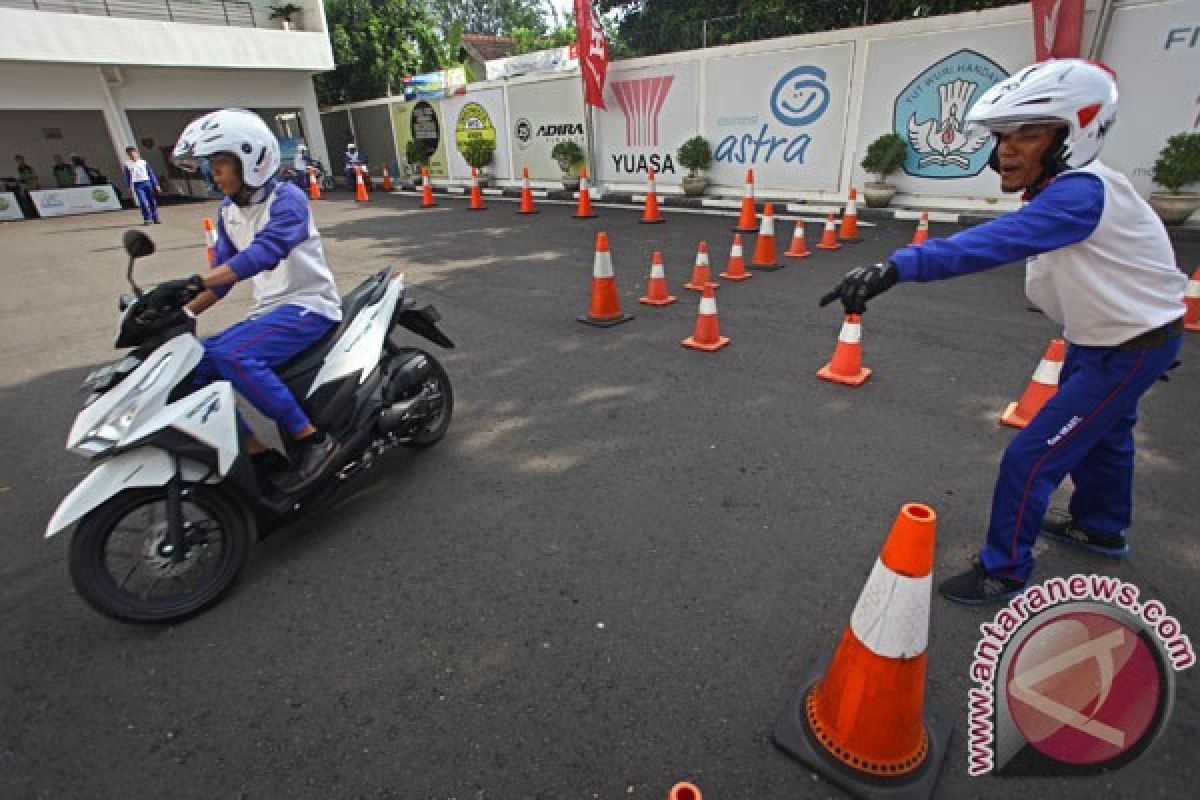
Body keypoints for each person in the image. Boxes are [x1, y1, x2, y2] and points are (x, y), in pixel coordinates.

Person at [819, 59, 1186, 605]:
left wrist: (895, 267)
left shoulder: (1079, 195)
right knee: (1106, 438)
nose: (1007, 150)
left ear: (1075, 133)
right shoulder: (1079, 185)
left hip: (1128, 346)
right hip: (1114, 337)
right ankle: (1102, 526)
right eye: (1003, 136)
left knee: (1031, 457)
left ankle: (1006, 569)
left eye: (1029, 134)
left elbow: (991, 242)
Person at [161, 108, 344, 492]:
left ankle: (313, 440)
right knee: (193, 365)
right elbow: (222, 279)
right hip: (269, 311)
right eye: (212, 165)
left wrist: (196, 281)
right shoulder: (228, 211)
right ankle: (257, 449)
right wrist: (176, 313)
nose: (216, 174)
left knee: (235, 354)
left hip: (309, 304)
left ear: (252, 159)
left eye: (223, 163)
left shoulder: (287, 198)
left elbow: (264, 252)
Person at [123, 146, 162, 225]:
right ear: (128, 155)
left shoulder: (143, 162)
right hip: (138, 185)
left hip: (147, 183)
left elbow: (151, 174)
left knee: (152, 202)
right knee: (143, 202)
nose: (132, 156)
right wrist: (128, 186)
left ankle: (155, 218)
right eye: (130, 155)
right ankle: (147, 219)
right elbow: (127, 176)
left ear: (136, 153)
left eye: (133, 154)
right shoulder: (127, 165)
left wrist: (156, 185)